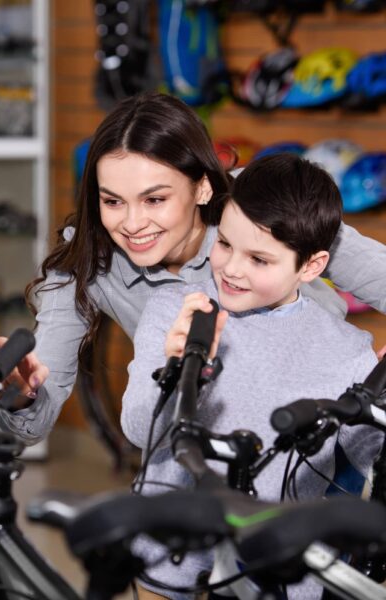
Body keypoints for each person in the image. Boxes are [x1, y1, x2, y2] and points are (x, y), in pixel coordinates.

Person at [0, 92, 386, 445]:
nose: (133, 223)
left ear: (203, 186)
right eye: (113, 201)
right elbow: (33, 419)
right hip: (204, 450)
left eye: (154, 199)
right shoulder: (85, 260)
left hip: (320, 437)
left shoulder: (263, 204)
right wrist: (21, 394)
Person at [121, 153, 383, 599]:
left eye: (259, 260)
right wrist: (174, 371)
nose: (231, 269)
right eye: (224, 244)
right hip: (171, 541)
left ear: (312, 266)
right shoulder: (176, 312)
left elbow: (361, 469)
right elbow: (138, 429)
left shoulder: (347, 353)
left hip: (276, 563)